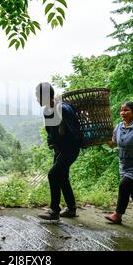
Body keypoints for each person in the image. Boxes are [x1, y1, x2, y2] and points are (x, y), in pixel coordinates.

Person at [35, 82, 82, 220]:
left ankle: (54, 210)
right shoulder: (47, 111)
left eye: (38, 96)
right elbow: (50, 132)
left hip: (70, 149)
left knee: (52, 175)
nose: (37, 99)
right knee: (62, 177)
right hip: (59, 150)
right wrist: (51, 143)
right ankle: (71, 208)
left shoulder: (63, 108)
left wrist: (63, 127)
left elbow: (75, 131)